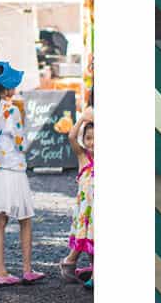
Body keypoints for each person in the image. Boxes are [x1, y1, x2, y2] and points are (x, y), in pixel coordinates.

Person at [0, 62, 43, 287]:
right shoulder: (12, 110)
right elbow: (21, 142)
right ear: (5, 89)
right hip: (13, 170)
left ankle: (0, 271)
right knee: (25, 219)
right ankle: (27, 269)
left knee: (0, 222)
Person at [60, 112, 94, 287]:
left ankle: (92, 272)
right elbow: (72, 136)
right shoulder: (83, 158)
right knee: (88, 240)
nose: (92, 142)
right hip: (85, 212)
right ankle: (72, 264)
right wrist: (83, 119)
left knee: (93, 243)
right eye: (88, 138)